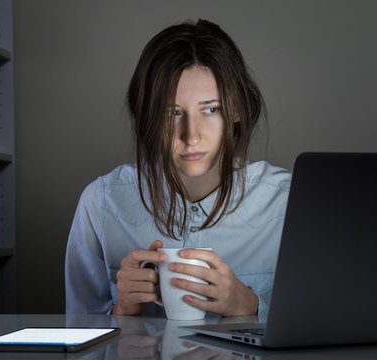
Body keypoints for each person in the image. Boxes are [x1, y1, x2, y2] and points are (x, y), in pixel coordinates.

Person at [65, 19, 291, 318]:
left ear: (237, 109)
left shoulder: (289, 201)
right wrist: (122, 311)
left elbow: (322, 326)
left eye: (211, 109)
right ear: (147, 116)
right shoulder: (101, 202)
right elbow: (78, 332)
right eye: (171, 113)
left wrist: (251, 306)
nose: (191, 135)